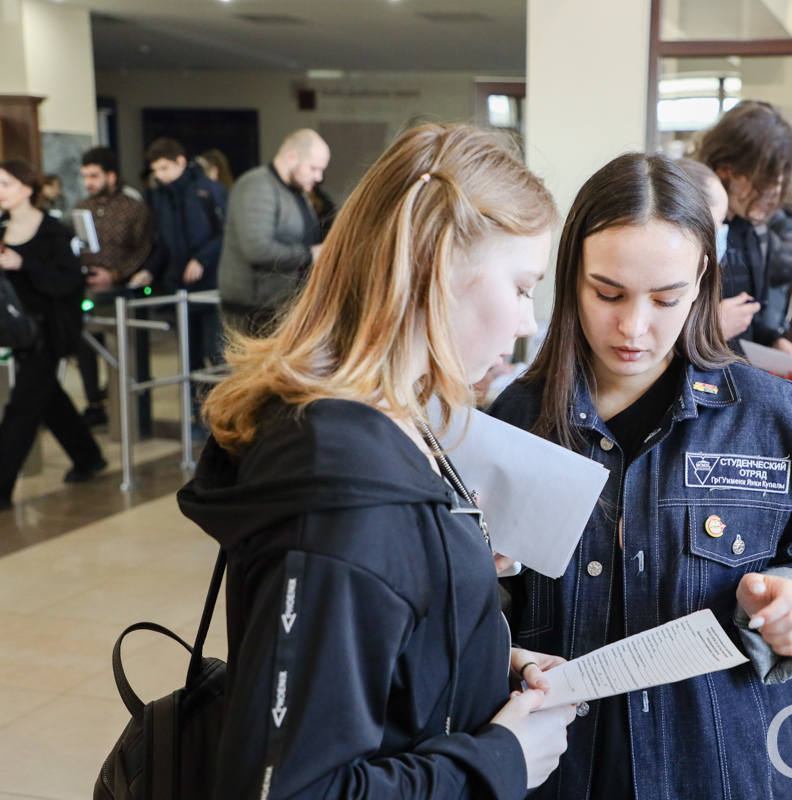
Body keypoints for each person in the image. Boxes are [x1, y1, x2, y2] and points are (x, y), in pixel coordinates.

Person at [177, 123, 576, 798]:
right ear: (436, 261)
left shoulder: (393, 423)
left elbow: (374, 654)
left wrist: (478, 663)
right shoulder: (342, 487)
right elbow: (299, 788)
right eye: (519, 285)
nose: (526, 322)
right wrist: (499, 761)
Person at [489, 153, 792, 799]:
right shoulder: (517, 420)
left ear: (703, 284)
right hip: (562, 768)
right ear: (571, 278)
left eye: (666, 298)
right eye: (607, 294)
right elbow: (477, 610)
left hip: (722, 765)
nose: (634, 327)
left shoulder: (778, 419)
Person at [0, 160, 107, 512]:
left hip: (49, 332)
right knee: (47, 397)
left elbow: (67, 281)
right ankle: (88, 457)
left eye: (6, 183)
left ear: (27, 187)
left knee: (22, 406)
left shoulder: (53, 230)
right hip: (18, 332)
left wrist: (24, 265)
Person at [696, 101, 792, 359]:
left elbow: (748, 312)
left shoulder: (750, 228)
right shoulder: (691, 224)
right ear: (725, 170)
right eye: (762, 183)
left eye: (779, 182)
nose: (771, 194)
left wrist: (773, 341)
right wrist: (711, 326)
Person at [218, 128, 330, 335]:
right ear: (291, 157)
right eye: (314, 168)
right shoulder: (256, 186)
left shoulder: (297, 190)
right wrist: (310, 255)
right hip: (254, 312)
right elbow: (257, 249)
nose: (319, 176)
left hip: (284, 307)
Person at [75, 146, 156, 426]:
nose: (88, 182)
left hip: (123, 294)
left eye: (94, 176)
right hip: (88, 290)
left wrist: (115, 274)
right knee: (83, 346)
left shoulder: (134, 208)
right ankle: (94, 404)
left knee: (123, 353)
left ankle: (131, 411)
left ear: (111, 175)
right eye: (85, 176)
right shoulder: (82, 207)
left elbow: (143, 249)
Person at [144, 137, 228, 386]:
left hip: (211, 285)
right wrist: (150, 270)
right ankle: (195, 414)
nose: (160, 175)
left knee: (217, 352)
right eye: (156, 170)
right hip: (179, 285)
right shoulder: (160, 196)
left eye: (164, 168)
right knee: (189, 358)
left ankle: (224, 417)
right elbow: (163, 241)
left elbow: (227, 233)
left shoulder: (208, 189)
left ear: (180, 162)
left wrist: (202, 259)